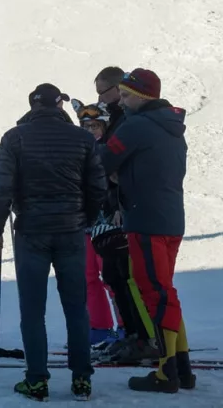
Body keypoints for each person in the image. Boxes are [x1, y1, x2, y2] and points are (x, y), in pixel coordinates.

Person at [0, 83, 107, 402]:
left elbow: (2, 189)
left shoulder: (15, 138)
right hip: (71, 232)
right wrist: (86, 219)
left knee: (32, 309)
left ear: (33, 107)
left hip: (31, 232)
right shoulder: (82, 139)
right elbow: (97, 188)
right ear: (60, 106)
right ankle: (82, 380)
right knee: (76, 307)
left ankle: (37, 380)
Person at [102, 68, 191, 394]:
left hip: (144, 220)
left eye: (125, 95)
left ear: (142, 96)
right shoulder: (173, 127)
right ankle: (182, 367)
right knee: (166, 290)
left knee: (154, 291)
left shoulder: (137, 125)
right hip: (170, 219)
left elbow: (102, 161)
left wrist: (117, 176)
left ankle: (167, 372)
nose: (121, 102)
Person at [88, 65, 150, 363]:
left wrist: (116, 185)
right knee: (113, 274)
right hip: (112, 208)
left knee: (127, 276)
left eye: (104, 91)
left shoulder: (128, 118)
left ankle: (143, 337)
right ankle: (131, 335)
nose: (100, 97)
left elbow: (122, 163)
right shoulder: (113, 117)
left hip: (126, 210)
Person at [76, 105, 121, 349]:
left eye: (95, 126)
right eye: (87, 127)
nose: (91, 131)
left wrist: (117, 208)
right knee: (89, 276)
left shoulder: (110, 150)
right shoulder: (78, 151)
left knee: (112, 277)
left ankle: (126, 325)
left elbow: (119, 183)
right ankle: (99, 327)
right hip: (84, 224)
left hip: (108, 225)